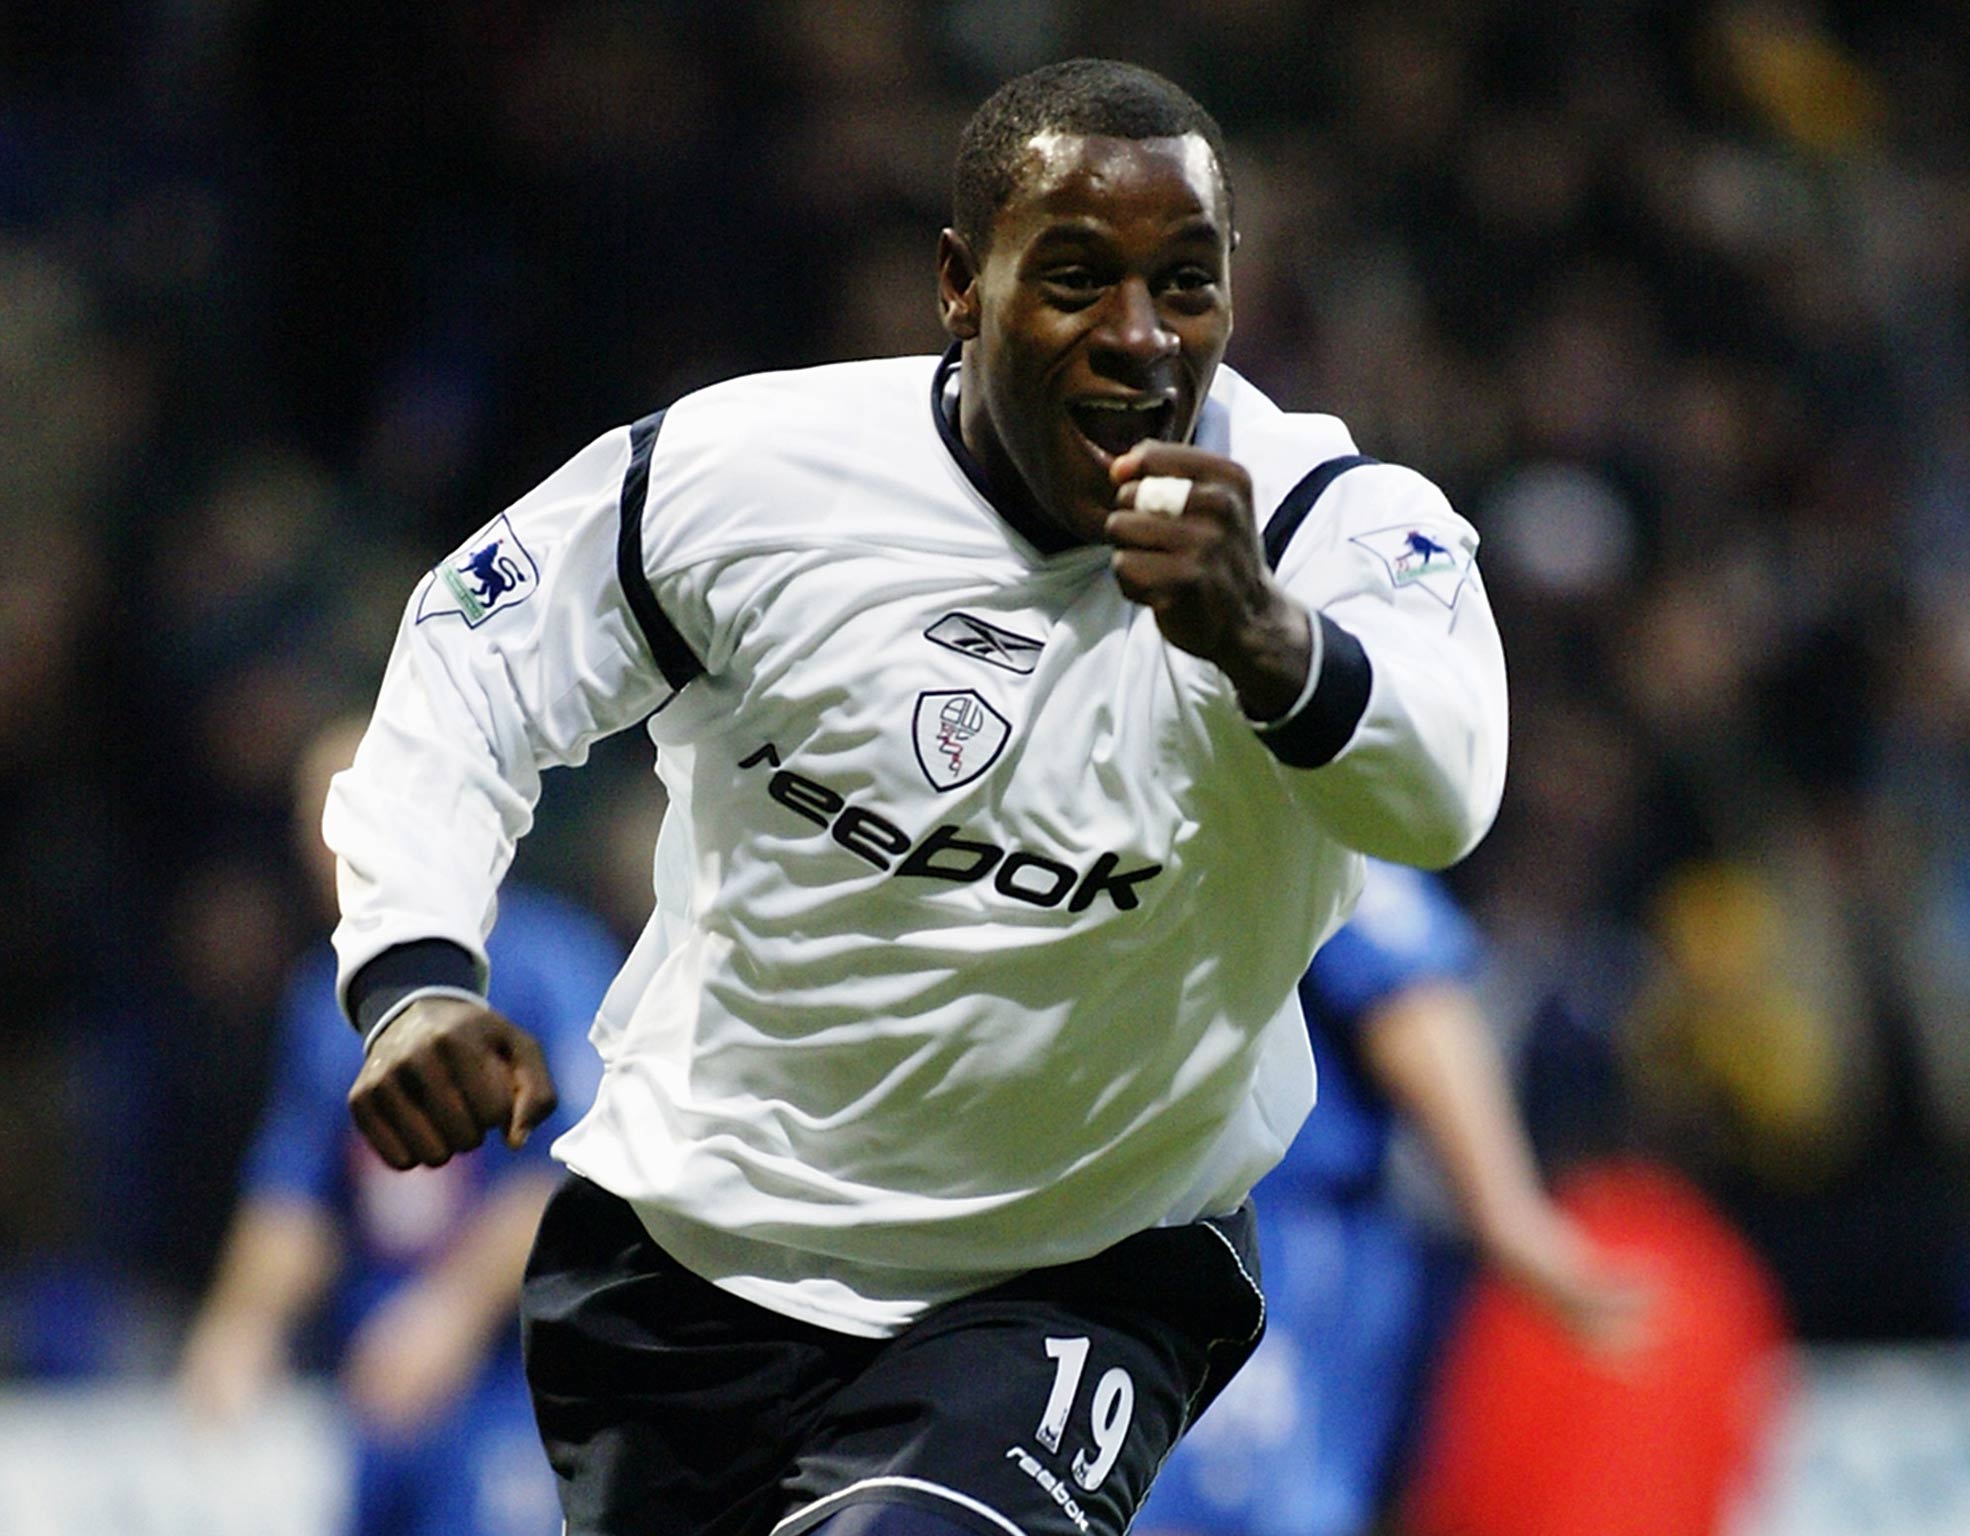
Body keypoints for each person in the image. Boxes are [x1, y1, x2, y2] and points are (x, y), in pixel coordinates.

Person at [325, 59, 1509, 1536]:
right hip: (696, 1260)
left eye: (1186, 288)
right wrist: (414, 965)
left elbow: (1449, 787)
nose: (1141, 341)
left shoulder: (1324, 530)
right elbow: (473, 655)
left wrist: (1271, 642)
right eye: (1077, 279)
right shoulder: (751, 477)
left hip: (1082, 1271)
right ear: (961, 283)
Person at [180, 715, 618, 1536]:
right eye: (314, 821)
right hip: (383, 1388)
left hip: (518, 1388)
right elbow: (296, 1189)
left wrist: (449, 1312)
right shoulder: (323, 999)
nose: (331, 848)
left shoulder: (548, 960)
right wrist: (242, 1321)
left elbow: (578, 1174)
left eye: (351, 814)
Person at [1133, 860, 1647, 1536]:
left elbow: (1414, 999)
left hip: (1271, 1252)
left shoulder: (1299, 796)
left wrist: (1509, 1215)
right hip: (1157, 1230)